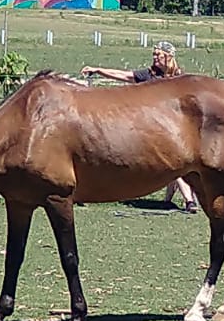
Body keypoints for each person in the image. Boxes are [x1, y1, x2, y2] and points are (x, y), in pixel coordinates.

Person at [80, 42, 197, 212]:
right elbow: (123, 75)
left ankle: (173, 200)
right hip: (153, 129)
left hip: (175, 128)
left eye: (158, 54)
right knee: (176, 165)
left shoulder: (180, 79)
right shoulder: (148, 76)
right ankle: (189, 200)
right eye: (154, 54)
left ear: (169, 57)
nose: (155, 57)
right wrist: (99, 70)